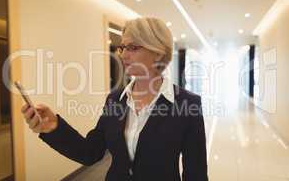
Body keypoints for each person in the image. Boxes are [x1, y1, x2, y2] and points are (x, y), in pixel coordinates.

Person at [21, 17, 208, 181]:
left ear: (158, 52)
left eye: (133, 47)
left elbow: (196, 173)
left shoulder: (187, 104)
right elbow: (91, 152)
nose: (123, 54)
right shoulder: (115, 100)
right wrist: (53, 127)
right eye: (123, 47)